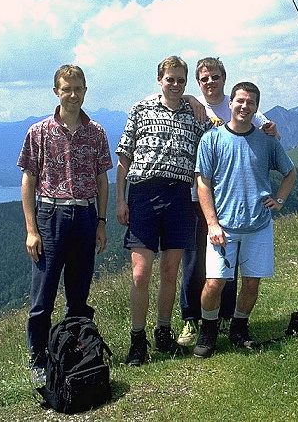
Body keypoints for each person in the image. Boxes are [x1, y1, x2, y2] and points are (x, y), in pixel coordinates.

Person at [115, 56, 214, 366]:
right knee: (141, 273)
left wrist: (264, 127)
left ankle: (163, 332)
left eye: (181, 80)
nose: (175, 85)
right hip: (143, 193)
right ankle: (137, 340)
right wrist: (120, 199)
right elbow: (124, 157)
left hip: (179, 196)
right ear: (159, 79)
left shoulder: (195, 113)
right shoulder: (140, 109)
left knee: (171, 271)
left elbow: (221, 133)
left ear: (187, 83)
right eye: (170, 79)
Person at [17, 64, 112, 384]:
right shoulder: (39, 132)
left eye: (78, 89)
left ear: (85, 90)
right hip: (50, 217)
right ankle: (37, 360)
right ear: (56, 91)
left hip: (85, 217)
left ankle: (74, 354)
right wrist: (31, 230)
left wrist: (101, 222)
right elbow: (28, 182)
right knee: (42, 297)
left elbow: (102, 180)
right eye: (66, 89)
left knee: (78, 295)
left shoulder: (96, 132)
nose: (73, 95)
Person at [177, 57, 280, 346]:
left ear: (224, 79)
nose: (210, 82)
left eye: (215, 77)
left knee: (229, 268)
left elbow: (270, 133)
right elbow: (165, 94)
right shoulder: (191, 102)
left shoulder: (240, 104)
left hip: (233, 202)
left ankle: (226, 319)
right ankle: (192, 320)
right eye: (204, 78)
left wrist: (272, 131)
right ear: (198, 83)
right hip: (196, 197)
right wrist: (186, 95)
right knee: (196, 263)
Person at [193, 81, 296, 358]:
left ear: (256, 108)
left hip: (259, 224)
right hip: (223, 226)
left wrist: (280, 200)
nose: (244, 106)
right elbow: (203, 183)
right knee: (215, 283)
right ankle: (209, 329)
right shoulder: (212, 139)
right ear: (230, 103)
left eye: (250, 102)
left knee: (251, 283)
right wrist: (212, 223)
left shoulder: (266, 141)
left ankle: (239, 327)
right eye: (240, 100)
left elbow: (290, 171)